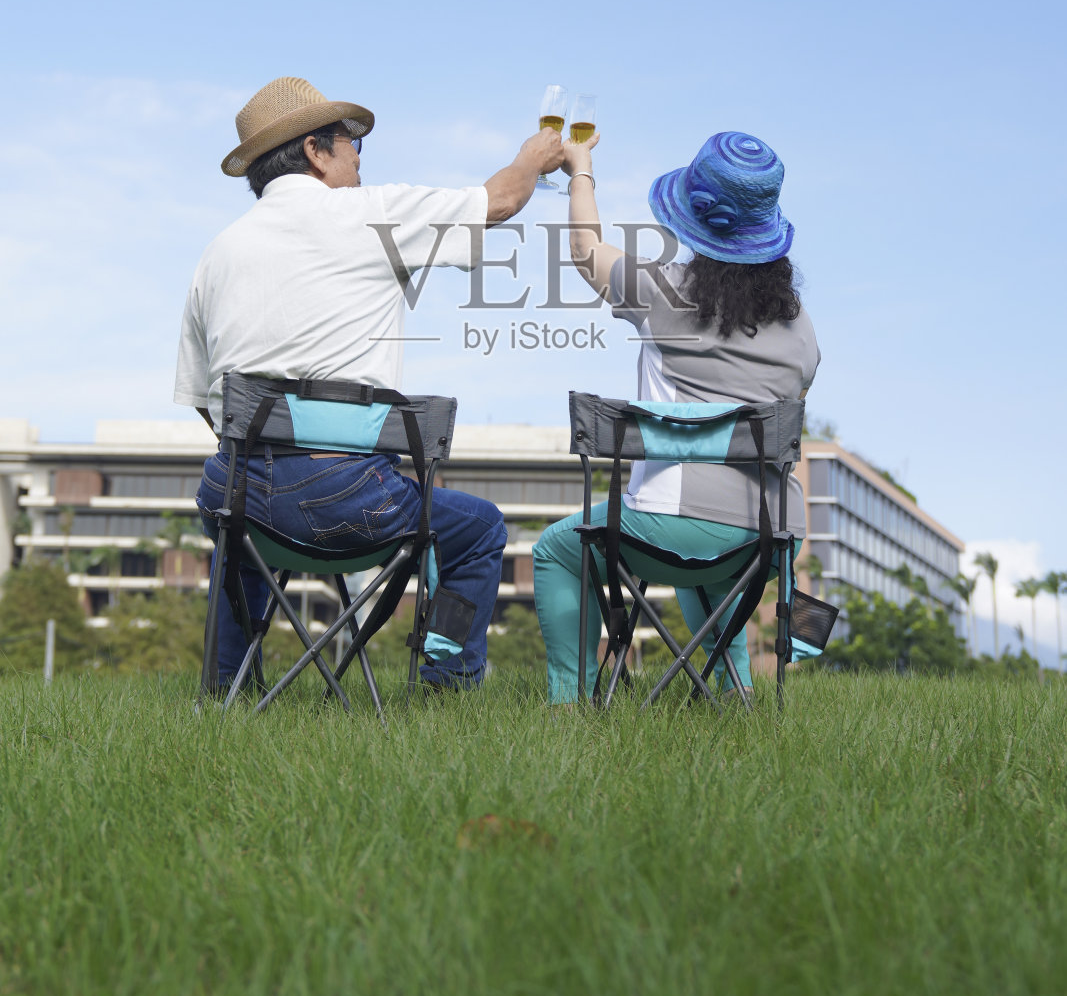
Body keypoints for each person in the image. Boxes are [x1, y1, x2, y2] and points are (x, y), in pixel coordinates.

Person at [175, 75, 563, 689]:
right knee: (481, 527)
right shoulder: (367, 214)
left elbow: (207, 403)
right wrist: (533, 158)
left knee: (236, 525)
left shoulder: (217, 251)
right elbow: (499, 203)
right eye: (351, 145)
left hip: (237, 495)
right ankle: (446, 684)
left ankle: (226, 688)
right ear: (315, 150)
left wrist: (272, 454)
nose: (357, 159)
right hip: (348, 499)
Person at [533, 129, 819, 702]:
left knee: (556, 549)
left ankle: (571, 699)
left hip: (673, 523)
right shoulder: (802, 333)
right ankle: (731, 691)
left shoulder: (668, 293)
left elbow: (587, 253)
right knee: (715, 559)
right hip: (767, 538)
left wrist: (580, 169)